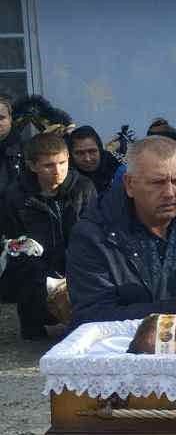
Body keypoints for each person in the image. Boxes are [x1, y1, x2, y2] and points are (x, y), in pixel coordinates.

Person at [68, 136, 176, 327]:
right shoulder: (93, 236)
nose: (170, 193)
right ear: (129, 184)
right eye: (157, 183)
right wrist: (175, 307)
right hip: (122, 352)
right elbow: (90, 317)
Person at [0, 132, 96, 338]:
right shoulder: (15, 196)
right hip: (34, 272)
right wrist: (46, 278)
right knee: (35, 335)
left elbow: (93, 235)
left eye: (62, 163)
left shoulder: (83, 188)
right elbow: (15, 244)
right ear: (32, 166)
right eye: (48, 165)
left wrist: (73, 273)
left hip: (78, 266)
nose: (57, 171)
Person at [67, 125, 121, 195]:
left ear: (100, 150)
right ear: (70, 155)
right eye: (80, 153)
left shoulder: (119, 172)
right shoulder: (64, 179)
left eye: (92, 151)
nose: (87, 159)